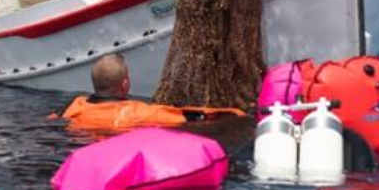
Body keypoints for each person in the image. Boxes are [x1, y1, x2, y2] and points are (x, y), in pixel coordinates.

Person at [53, 54, 244, 130]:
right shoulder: (139, 112)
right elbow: (193, 117)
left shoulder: (72, 106)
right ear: (125, 84)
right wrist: (238, 113)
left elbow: (51, 122)